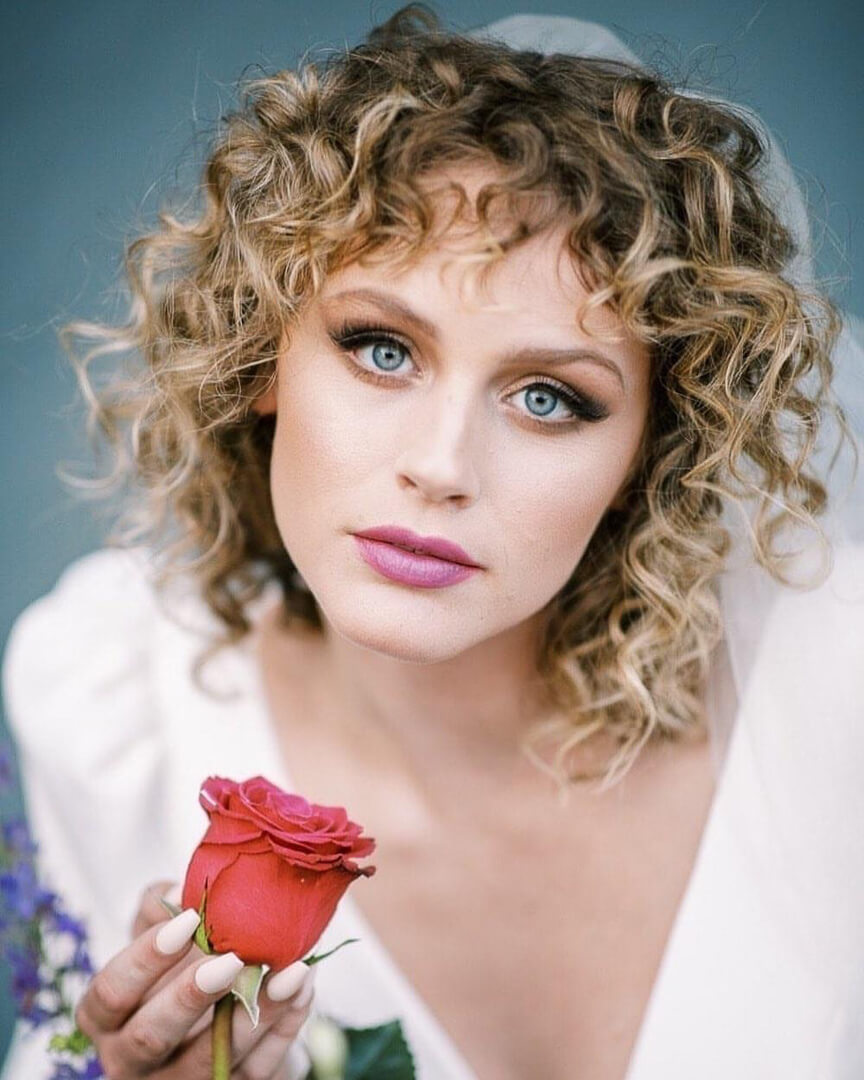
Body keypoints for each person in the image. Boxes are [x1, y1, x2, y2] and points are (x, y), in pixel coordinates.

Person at [2, 7, 863, 1079]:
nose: (442, 464)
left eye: (549, 398)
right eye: (382, 349)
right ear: (262, 355)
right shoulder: (116, 704)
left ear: (654, 452)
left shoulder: (834, 702)